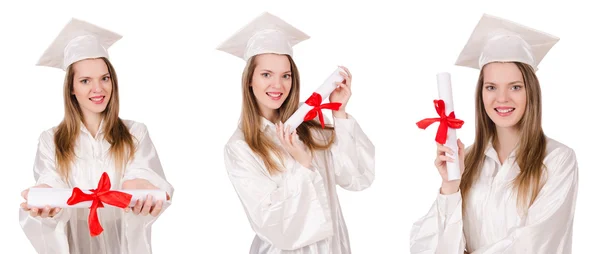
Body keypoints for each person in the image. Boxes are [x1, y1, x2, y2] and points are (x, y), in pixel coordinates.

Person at [410, 13, 578, 254]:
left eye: (515, 87)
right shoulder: (467, 160)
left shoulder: (557, 160)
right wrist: (451, 186)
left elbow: (534, 244)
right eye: (491, 87)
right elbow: (432, 247)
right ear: (481, 93)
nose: (502, 99)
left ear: (531, 91)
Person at [218, 12, 375, 254]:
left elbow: (356, 178)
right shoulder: (241, 147)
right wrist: (302, 164)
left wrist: (340, 113)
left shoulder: (311, 127)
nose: (277, 86)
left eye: (285, 76)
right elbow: (271, 223)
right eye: (266, 74)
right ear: (250, 80)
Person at [19, 18, 174, 254]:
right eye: (85, 81)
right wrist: (47, 196)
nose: (98, 89)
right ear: (71, 88)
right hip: (75, 244)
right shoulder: (51, 140)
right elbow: (52, 179)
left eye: (104, 78)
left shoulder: (134, 133)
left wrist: (141, 186)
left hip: (122, 243)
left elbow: (142, 171)